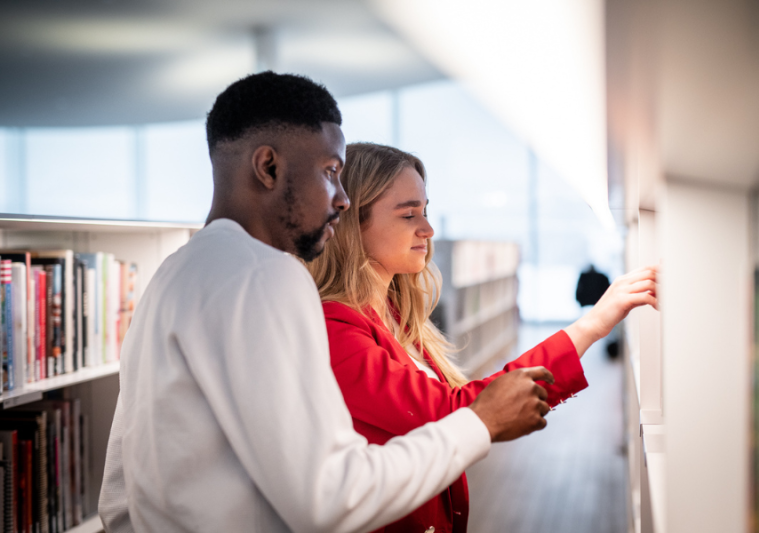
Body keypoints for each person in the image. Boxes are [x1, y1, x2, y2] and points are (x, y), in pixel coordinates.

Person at [98, 72, 561, 533]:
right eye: (331, 172)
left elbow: (118, 495)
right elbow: (332, 497)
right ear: (269, 167)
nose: (341, 199)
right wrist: (479, 423)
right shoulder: (268, 277)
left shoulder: (170, 276)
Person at [307, 142, 659, 533]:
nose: (428, 228)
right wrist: (591, 326)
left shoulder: (394, 318)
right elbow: (456, 412)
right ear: (352, 224)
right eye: (409, 215)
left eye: (425, 211)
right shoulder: (335, 330)